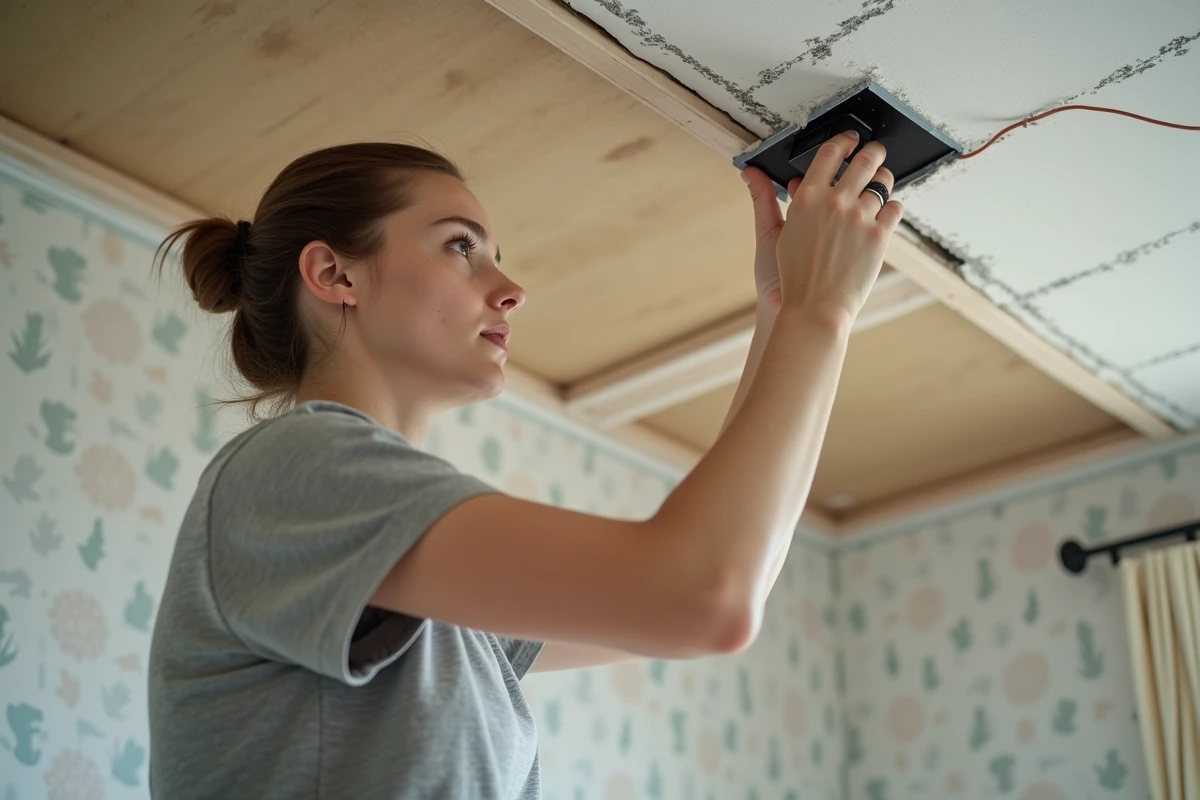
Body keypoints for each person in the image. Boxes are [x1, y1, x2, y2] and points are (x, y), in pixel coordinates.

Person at [147, 132, 900, 798]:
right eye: (459, 246)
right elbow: (707, 598)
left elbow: (728, 586)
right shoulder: (298, 469)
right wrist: (816, 316)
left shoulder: (419, 580)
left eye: (493, 255)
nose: (510, 290)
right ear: (335, 274)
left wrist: (783, 309)